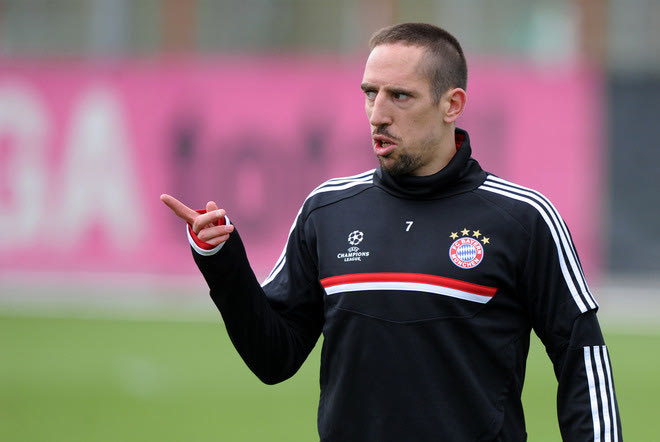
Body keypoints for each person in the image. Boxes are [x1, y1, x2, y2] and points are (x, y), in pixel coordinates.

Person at [161, 22, 622, 441]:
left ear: (452, 105)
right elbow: (273, 358)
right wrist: (222, 262)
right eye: (370, 93)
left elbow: (581, 356)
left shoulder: (523, 218)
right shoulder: (328, 210)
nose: (377, 114)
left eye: (400, 96)